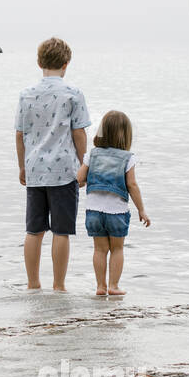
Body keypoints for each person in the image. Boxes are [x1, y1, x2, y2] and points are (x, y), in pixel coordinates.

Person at [16, 37, 90, 291]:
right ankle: (59, 286)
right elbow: (79, 133)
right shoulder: (73, 94)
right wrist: (85, 165)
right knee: (61, 231)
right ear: (66, 64)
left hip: (35, 169)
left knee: (34, 230)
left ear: (39, 62)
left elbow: (19, 133)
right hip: (64, 171)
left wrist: (22, 166)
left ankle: (32, 284)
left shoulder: (26, 95)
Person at [76, 110, 151, 296]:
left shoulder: (92, 155)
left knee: (99, 250)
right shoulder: (128, 158)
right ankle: (113, 286)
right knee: (117, 249)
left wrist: (88, 181)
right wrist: (141, 210)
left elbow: (78, 179)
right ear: (125, 134)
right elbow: (132, 185)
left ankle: (100, 287)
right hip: (116, 212)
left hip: (93, 210)